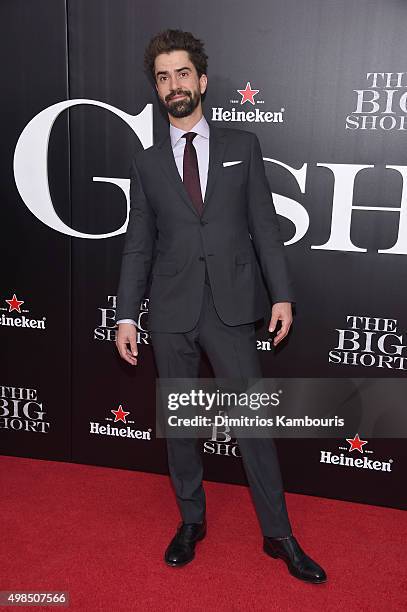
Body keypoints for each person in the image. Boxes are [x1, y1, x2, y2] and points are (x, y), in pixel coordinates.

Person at [115, 29, 326, 583]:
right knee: (180, 424)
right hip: (170, 310)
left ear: (202, 81)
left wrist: (282, 294)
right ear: (157, 90)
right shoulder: (146, 162)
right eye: (163, 77)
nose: (173, 85)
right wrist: (126, 314)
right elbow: (139, 244)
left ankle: (278, 534)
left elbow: (264, 228)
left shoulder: (242, 146)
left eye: (182, 73)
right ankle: (191, 520)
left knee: (254, 423)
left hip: (231, 308)